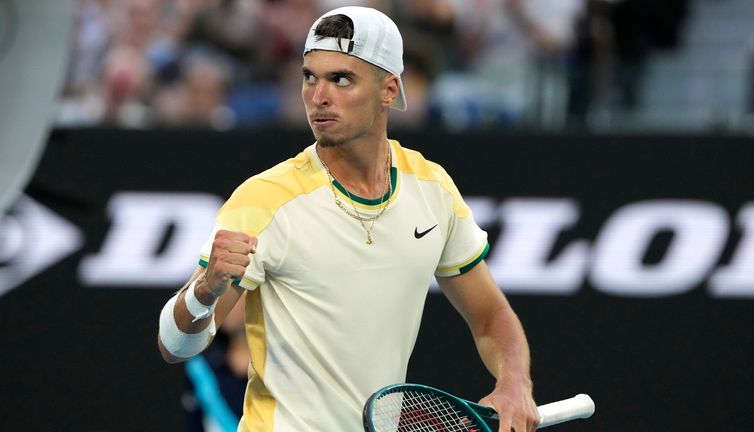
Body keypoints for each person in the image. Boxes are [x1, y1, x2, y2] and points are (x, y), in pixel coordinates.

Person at [158, 6, 539, 432]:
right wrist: (205, 291)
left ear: (388, 90)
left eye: (341, 79)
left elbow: (490, 316)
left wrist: (514, 383)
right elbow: (175, 347)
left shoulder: (433, 188)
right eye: (309, 77)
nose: (318, 96)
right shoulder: (263, 200)